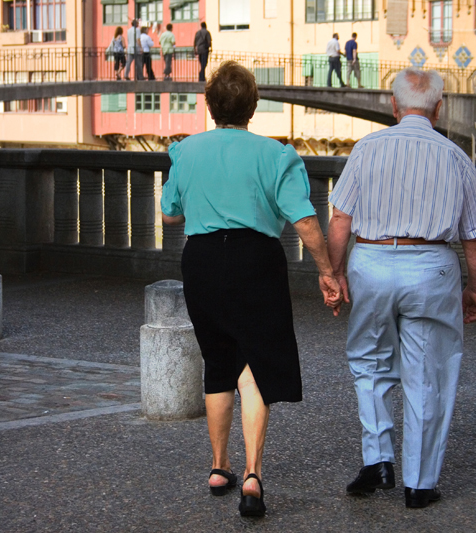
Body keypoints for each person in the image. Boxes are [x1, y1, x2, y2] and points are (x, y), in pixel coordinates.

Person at [161, 61, 343, 518]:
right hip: (256, 260)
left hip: (201, 260)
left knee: (218, 360)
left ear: (209, 104)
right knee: (255, 364)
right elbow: (304, 221)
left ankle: (219, 467)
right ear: (253, 106)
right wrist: (327, 271)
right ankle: (253, 475)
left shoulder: (186, 152)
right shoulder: (277, 155)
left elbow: (169, 214)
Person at [327, 67, 476, 509]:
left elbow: (341, 219)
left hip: (373, 262)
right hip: (432, 267)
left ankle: (378, 460)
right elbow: (475, 240)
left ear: (394, 106)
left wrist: (335, 272)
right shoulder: (457, 158)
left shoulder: (366, 149)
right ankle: (420, 483)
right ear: (439, 108)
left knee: (370, 360)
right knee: (429, 373)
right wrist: (475, 291)